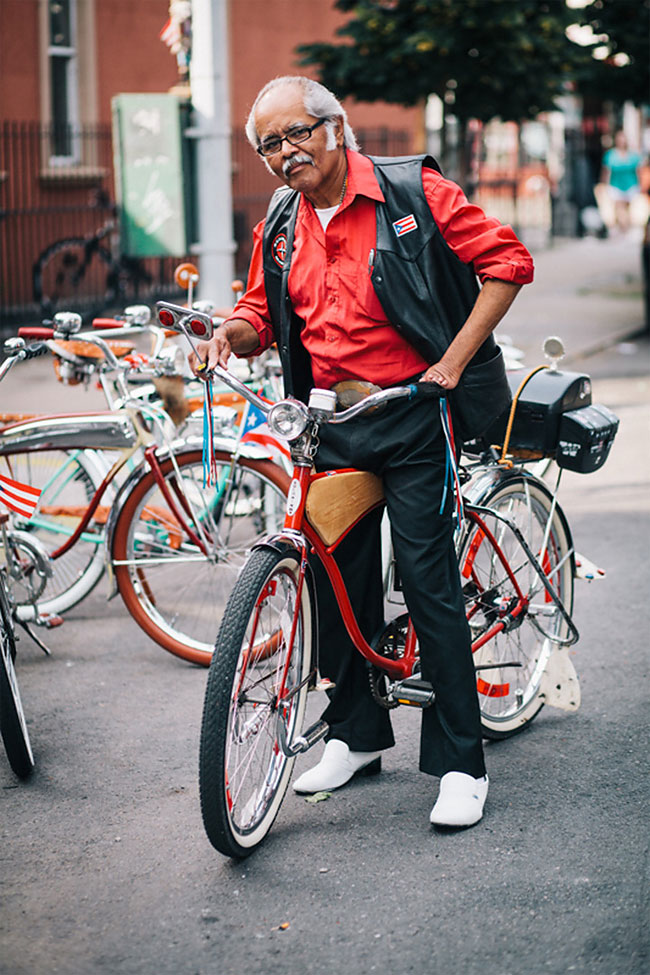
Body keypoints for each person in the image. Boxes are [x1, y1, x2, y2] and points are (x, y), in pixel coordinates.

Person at [190, 76, 534, 829]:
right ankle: (355, 733)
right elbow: (261, 311)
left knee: (426, 578)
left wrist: (452, 358)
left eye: (297, 134)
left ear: (335, 127)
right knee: (331, 577)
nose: (286, 154)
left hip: (413, 414)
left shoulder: (415, 193)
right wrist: (229, 334)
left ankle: (460, 761)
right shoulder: (280, 221)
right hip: (330, 426)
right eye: (269, 145)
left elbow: (507, 263)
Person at [601, 131, 642, 234]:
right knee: (619, 207)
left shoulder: (633, 155)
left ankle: (625, 227)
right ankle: (624, 228)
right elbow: (606, 171)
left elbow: (638, 171)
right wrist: (604, 185)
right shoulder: (610, 155)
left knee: (628, 207)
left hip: (631, 184)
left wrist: (641, 185)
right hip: (615, 185)